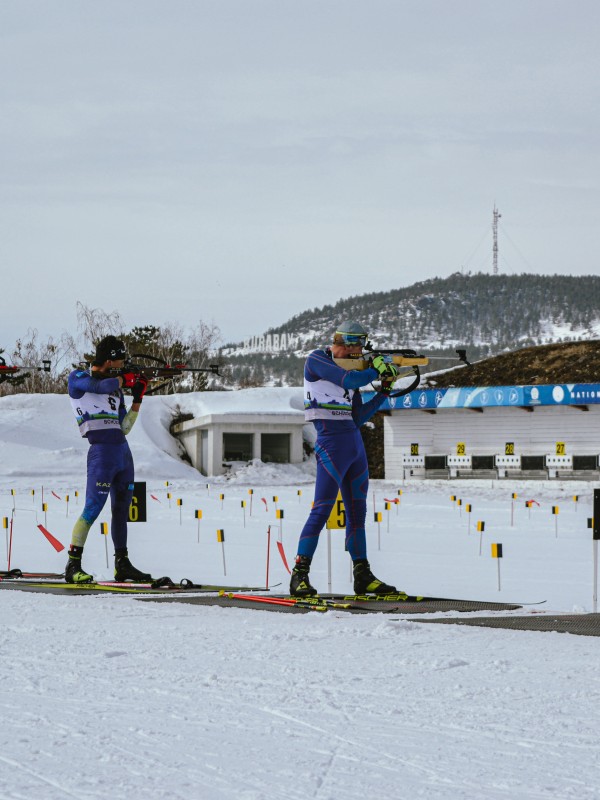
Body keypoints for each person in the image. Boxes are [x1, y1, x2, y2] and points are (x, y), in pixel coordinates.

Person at [291, 320, 399, 597]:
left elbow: (358, 417)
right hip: (331, 445)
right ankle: (299, 575)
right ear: (342, 345)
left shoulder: (354, 371)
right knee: (322, 509)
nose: (354, 357)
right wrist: (376, 368)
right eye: (352, 352)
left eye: (358, 354)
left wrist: (383, 391)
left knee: (357, 514)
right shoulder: (317, 360)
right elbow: (350, 379)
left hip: (353, 444)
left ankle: (362, 574)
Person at [65, 336, 151, 584]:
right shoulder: (78, 378)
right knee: (92, 508)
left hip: (122, 452)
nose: (121, 367)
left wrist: (137, 399)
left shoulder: (115, 388)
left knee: (121, 510)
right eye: (119, 362)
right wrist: (126, 379)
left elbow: (124, 427)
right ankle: (73, 565)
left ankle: (121, 564)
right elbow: (100, 387)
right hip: (101, 452)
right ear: (109, 361)